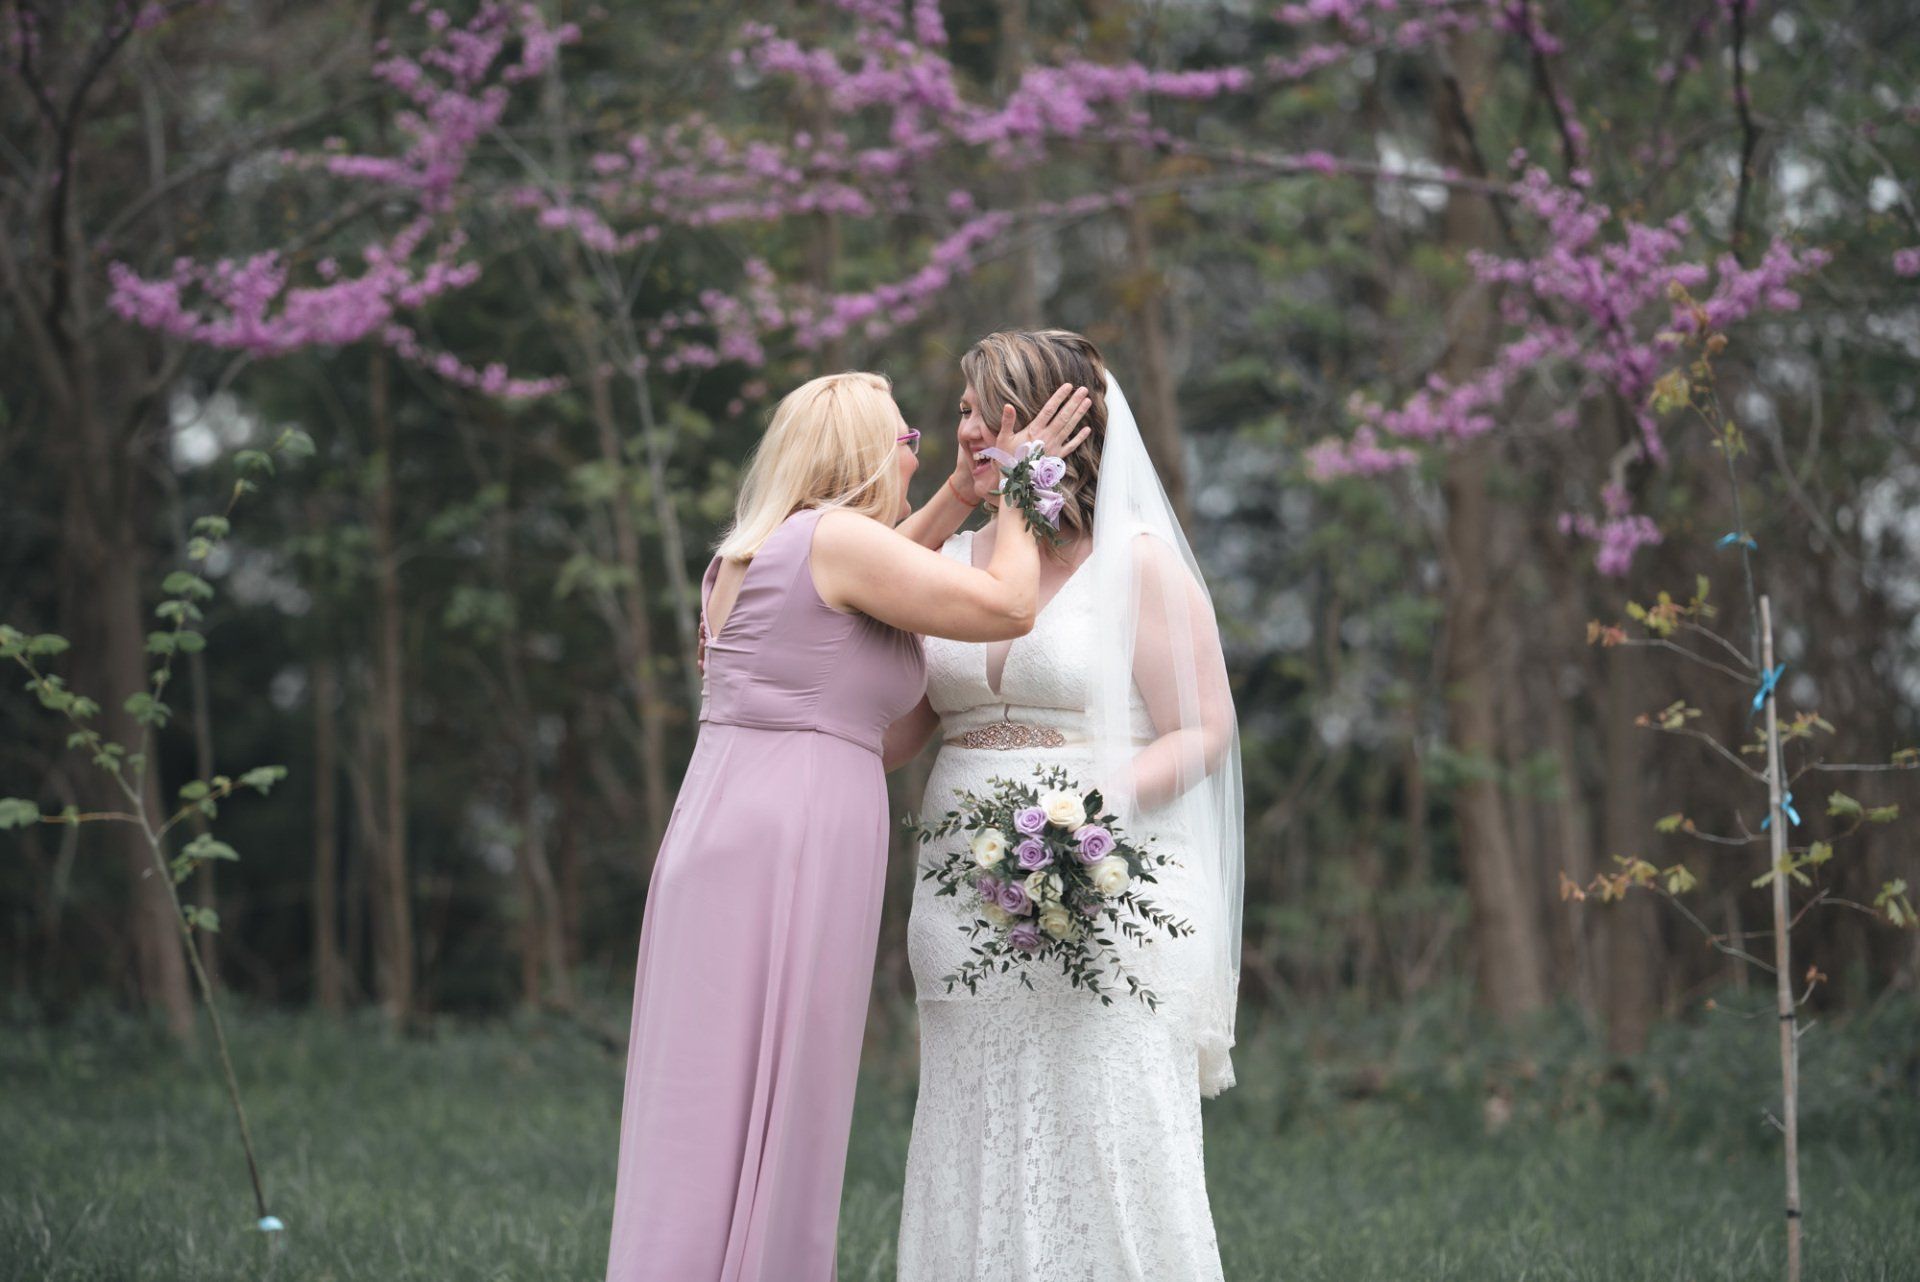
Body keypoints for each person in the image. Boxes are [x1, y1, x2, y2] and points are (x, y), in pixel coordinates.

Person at [603, 369, 1092, 1282]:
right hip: (786, 845)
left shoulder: (775, 547)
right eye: (909, 439)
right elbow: (1008, 607)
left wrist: (958, 495)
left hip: (739, 826)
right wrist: (1025, 487)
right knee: (767, 1093)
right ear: (865, 453)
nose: (920, 448)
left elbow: (869, 626)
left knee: (718, 1092)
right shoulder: (833, 541)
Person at [887, 331, 1244, 1281]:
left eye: (977, 410)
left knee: (1104, 1127)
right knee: (974, 1124)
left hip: (1106, 877)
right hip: (961, 897)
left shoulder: (1138, 567)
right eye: (960, 409)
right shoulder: (957, 561)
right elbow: (892, 725)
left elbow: (1203, 727)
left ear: (1047, 422)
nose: (959, 428)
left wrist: (1077, 818)